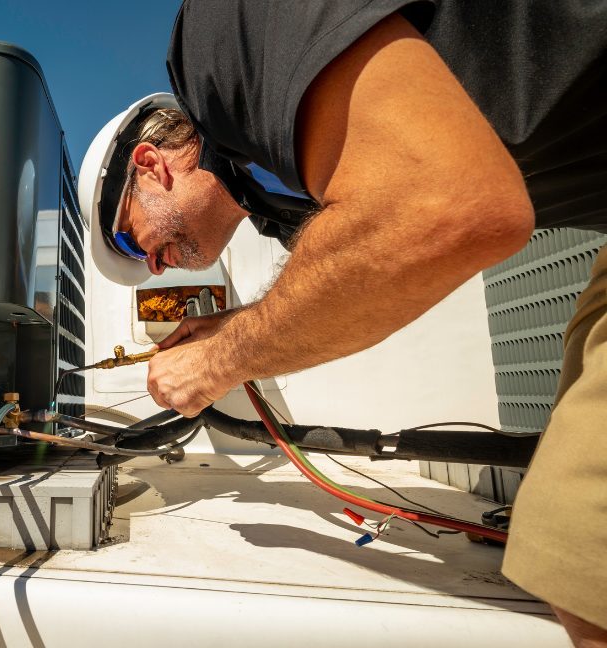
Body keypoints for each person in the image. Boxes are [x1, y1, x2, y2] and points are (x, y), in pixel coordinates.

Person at [77, 1, 607, 644]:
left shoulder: (224, 34)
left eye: (135, 244)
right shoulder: (282, 200)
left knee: (578, 553)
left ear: (149, 166)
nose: (155, 269)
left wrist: (218, 360)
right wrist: (236, 332)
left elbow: (447, 209)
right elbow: (389, 255)